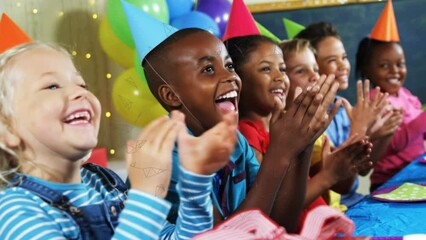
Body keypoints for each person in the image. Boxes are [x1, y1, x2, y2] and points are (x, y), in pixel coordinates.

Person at [0, 42, 237, 239]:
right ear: (7, 130)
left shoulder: (105, 184)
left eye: (82, 84)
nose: (80, 92)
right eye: (52, 86)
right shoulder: (15, 212)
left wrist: (196, 181)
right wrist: (146, 198)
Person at [224, 33, 372, 231]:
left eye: (282, 68)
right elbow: (274, 210)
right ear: (238, 80)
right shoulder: (247, 135)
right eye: (266, 68)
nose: (279, 77)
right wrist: (327, 175)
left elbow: (341, 183)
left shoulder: (285, 126)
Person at [295, 22, 389, 207]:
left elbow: (362, 171)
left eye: (344, 57)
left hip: (354, 201)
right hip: (333, 209)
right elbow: (341, 184)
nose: (342, 65)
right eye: (331, 60)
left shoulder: (340, 106)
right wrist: (360, 129)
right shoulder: (312, 119)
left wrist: (383, 133)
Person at [356, 37, 425, 191]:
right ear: (367, 70)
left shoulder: (406, 95)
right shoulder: (375, 101)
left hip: (415, 173)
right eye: (384, 65)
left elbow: (421, 134)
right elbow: (395, 144)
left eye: (400, 64)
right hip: (389, 182)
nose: (394, 71)